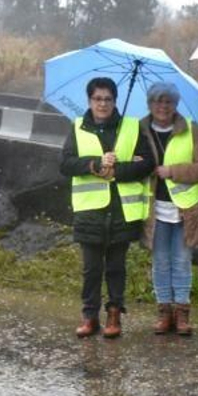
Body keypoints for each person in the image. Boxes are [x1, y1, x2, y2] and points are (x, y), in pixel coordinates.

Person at [58, 76, 154, 338]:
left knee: (115, 267)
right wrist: (95, 164)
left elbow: (146, 164)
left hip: (121, 209)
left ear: (115, 101)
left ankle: (114, 314)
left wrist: (117, 170)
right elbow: (65, 164)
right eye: (97, 99)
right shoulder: (78, 127)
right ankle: (90, 316)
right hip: (90, 211)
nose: (102, 104)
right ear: (89, 101)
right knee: (91, 269)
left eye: (108, 99)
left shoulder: (131, 127)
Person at [139, 82, 198, 336]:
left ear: (176, 104)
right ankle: (163, 311)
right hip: (153, 208)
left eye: (168, 101)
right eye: (158, 101)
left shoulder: (192, 131)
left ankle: (182, 312)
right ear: (150, 104)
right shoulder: (139, 130)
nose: (163, 106)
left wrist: (173, 172)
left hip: (185, 208)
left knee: (181, 261)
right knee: (160, 261)